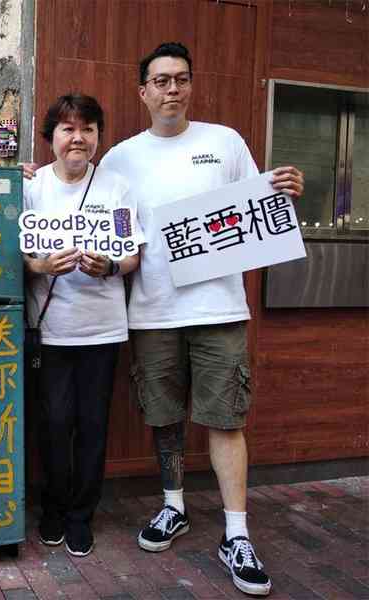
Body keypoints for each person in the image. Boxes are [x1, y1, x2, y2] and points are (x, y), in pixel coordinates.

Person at [99, 42, 304, 596]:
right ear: (143, 92)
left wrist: (285, 192)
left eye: (181, 79)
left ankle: (236, 533)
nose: (173, 89)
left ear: (191, 85)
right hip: (152, 310)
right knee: (164, 416)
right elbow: (93, 212)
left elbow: (261, 208)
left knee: (226, 418)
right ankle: (174, 506)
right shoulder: (119, 159)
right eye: (161, 81)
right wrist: (33, 179)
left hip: (219, 308)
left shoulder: (225, 143)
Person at [24, 94, 144, 557]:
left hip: (102, 330)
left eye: (88, 129)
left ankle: (81, 516)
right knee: (54, 423)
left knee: (93, 425)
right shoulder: (32, 188)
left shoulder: (116, 189)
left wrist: (109, 266)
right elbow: (17, 254)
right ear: (51, 136)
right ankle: (53, 508)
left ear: (97, 137)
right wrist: (41, 266)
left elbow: (130, 254)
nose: (78, 138)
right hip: (50, 330)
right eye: (68, 129)